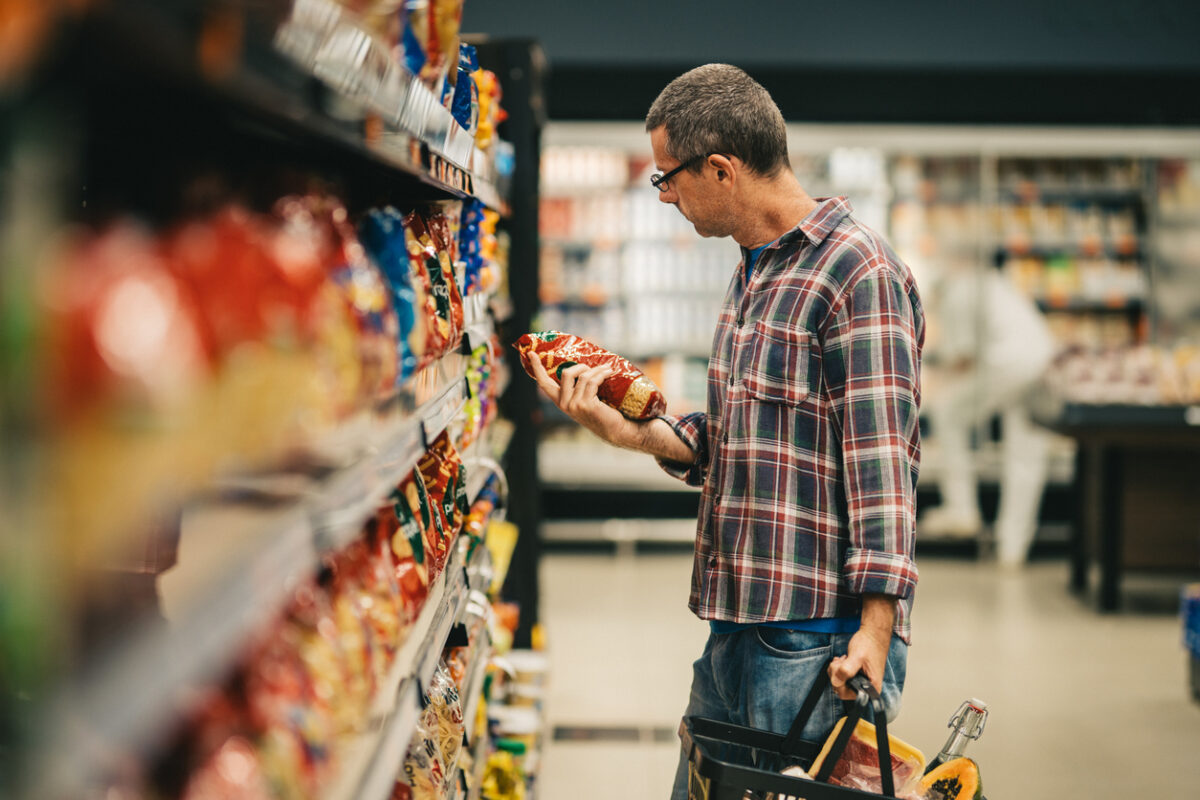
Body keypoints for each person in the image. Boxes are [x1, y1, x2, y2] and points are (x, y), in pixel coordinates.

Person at [519, 64, 923, 798]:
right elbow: (733, 443)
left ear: (721, 169)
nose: (665, 194)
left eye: (666, 178)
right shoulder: (755, 271)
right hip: (736, 626)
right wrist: (626, 431)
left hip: (816, 640)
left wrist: (877, 630)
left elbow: (882, 468)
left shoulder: (856, 274)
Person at [919, 265, 1056, 566]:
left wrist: (929, 371)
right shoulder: (988, 281)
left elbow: (963, 358)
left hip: (1007, 361)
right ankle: (1012, 548)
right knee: (1026, 455)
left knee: (948, 413)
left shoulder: (954, 295)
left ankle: (962, 509)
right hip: (1042, 358)